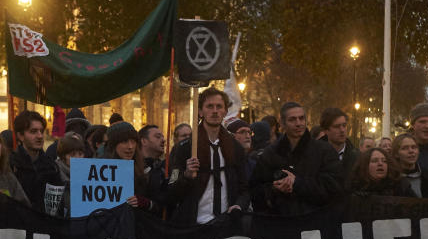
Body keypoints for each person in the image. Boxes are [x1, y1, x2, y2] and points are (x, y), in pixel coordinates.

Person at [167, 88, 249, 224]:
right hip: (193, 224)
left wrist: (239, 205)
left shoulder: (235, 148)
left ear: (225, 112)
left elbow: (244, 188)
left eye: (219, 106)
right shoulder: (184, 148)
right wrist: (186, 176)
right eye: (209, 106)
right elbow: (171, 189)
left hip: (227, 223)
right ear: (200, 111)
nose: (215, 111)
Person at [252, 101, 343, 215]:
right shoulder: (271, 153)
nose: (298, 123)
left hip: (315, 221)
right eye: (292, 119)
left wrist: (297, 183)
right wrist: (275, 189)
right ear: (282, 123)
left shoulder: (324, 150)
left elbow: (334, 187)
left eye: (301, 118)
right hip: (281, 222)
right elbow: (256, 189)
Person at [105, 122, 165, 214]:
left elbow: (159, 207)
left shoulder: (147, 170)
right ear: (113, 145)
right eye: (124, 142)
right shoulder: (100, 171)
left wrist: (145, 203)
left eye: (133, 142)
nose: (130, 147)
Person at [11, 110, 61, 212]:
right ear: (20, 136)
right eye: (33, 131)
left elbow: (57, 204)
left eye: (41, 131)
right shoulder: (10, 164)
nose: (40, 136)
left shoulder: (51, 166)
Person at [348, 147, 412, 196]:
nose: (380, 164)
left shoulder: (401, 186)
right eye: (375, 161)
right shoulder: (354, 189)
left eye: (384, 161)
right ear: (365, 166)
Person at [391, 133, 428, 197]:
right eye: (405, 148)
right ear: (396, 154)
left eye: (414, 147)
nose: (411, 151)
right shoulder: (391, 178)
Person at [53, 133, 86, 217]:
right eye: (72, 155)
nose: (78, 158)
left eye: (80, 154)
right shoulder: (54, 174)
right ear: (63, 156)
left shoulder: (88, 174)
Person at [320, 107, 357, 178]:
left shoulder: (357, 157)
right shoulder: (315, 156)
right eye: (337, 126)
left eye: (344, 125)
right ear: (325, 130)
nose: (342, 130)